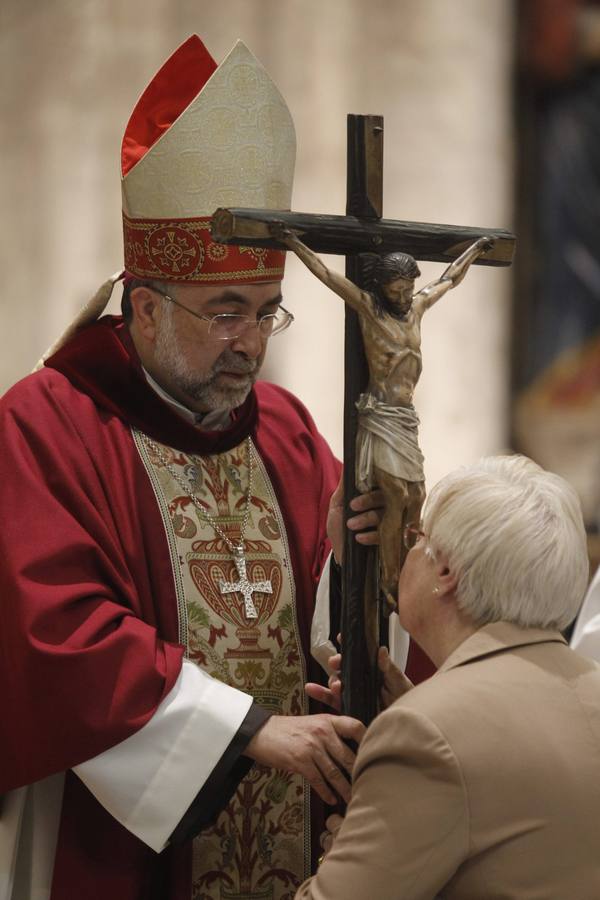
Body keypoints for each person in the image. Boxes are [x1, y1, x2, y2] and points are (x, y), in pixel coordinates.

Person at [0, 36, 378, 900]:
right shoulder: (48, 425)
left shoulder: (282, 430)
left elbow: (335, 631)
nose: (248, 341)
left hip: (293, 835)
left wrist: (356, 559)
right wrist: (244, 729)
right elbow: (52, 633)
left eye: (265, 313)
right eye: (224, 312)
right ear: (143, 307)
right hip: (114, 847)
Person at [296, 454, 600, 900]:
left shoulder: (425, 732)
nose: (406, 555)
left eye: (417, 540)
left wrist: (345, 856)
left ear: (445, 573)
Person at [272, 225, 494, 605]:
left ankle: (408, 570)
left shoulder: (417, 308)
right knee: (394, 492)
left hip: (406, 418)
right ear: (382, 286)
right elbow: (328, 276)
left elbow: (450, 279)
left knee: (417, 495)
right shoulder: (370, 310)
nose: (406, 294)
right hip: (382, 416)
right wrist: (294, 243)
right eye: (398, 288)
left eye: (409, 286)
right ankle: (391, 578)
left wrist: (475, 249)